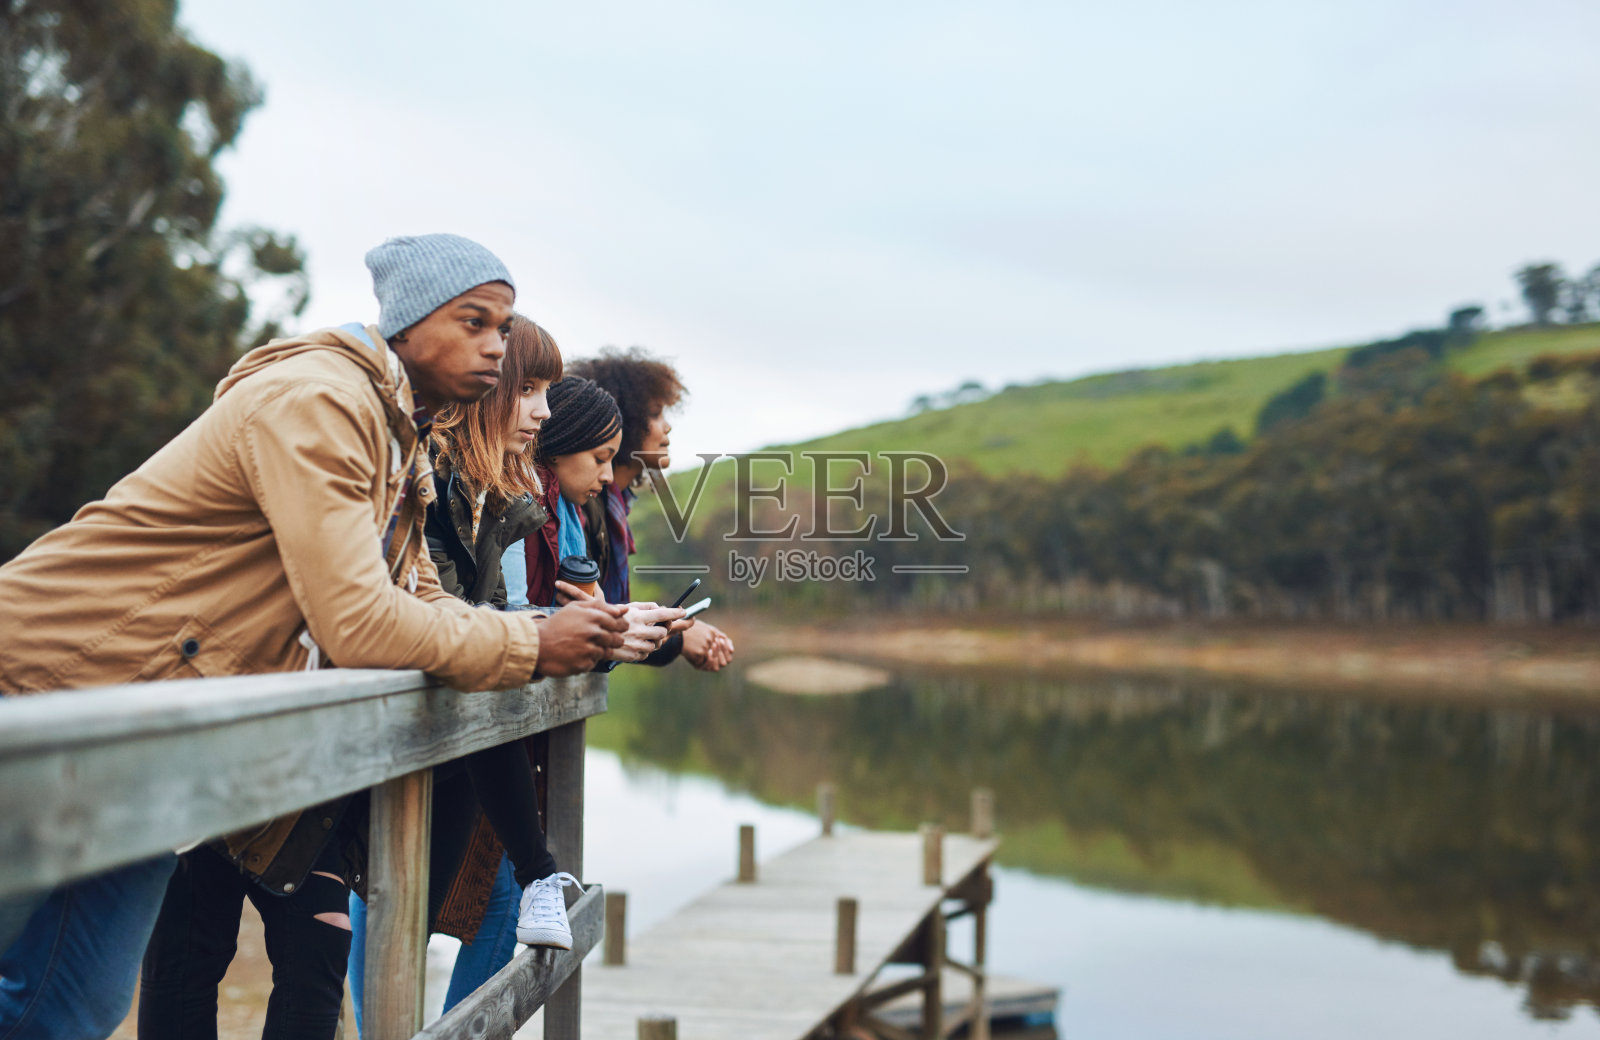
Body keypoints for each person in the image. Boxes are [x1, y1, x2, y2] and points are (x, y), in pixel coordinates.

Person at [0, 233, 628, 1040]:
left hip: (142, 744)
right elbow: (358, 619)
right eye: (474, 323)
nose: (494, 347)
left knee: (68, 1007)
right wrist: (533, 648)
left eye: (502, 330)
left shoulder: (402, 442)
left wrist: (534, 628)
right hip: (44, 698)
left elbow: (424, 596)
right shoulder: (321, 402)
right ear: (406, 322)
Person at [345, 318, 686, 1032]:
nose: (542, 409)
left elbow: (491, 615)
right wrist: (571, 633)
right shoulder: (451, 484)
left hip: (489, 743)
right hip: (443, 738)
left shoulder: (533, 502)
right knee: (387, 895)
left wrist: (626, 632)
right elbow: (464, 614)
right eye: (529, 391)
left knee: (448, 906)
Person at [567, 349, 735, 670]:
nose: (667, 428)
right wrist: (679, 639)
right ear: (623, 419)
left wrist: (674, 632)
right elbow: (586, 619)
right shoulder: (581, 504)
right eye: (656, 414)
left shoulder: (613, 503)